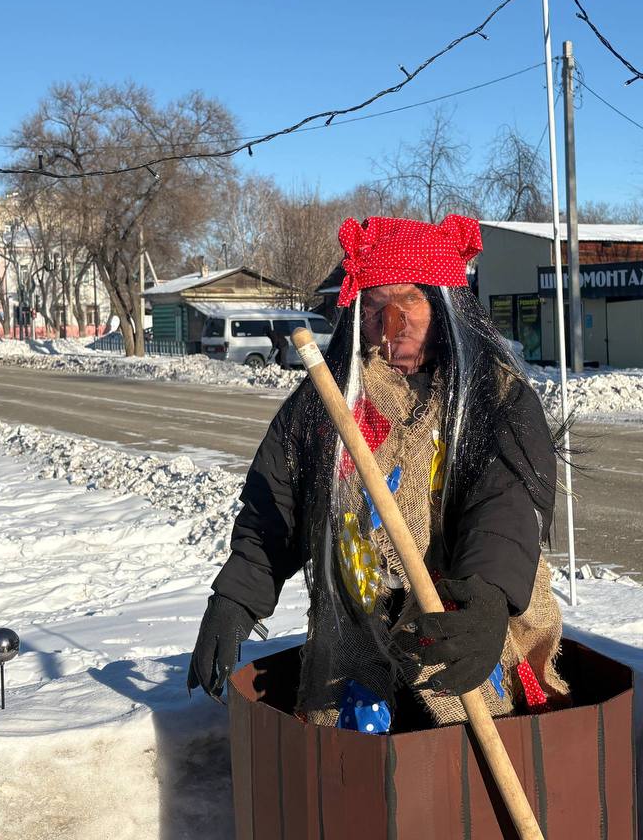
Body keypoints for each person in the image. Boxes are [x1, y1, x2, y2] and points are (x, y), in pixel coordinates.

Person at [188, 214, 567, 730]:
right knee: (361, 775)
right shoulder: (326, 404)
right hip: (354, 639)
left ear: (445, 305)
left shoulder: (493, 397)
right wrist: (236, 596)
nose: (395, 320)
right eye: (376, 305)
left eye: (411, 298)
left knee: (464, 756)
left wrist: (487, 595)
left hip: (460, 626)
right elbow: (274, 503)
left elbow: (505, 502)